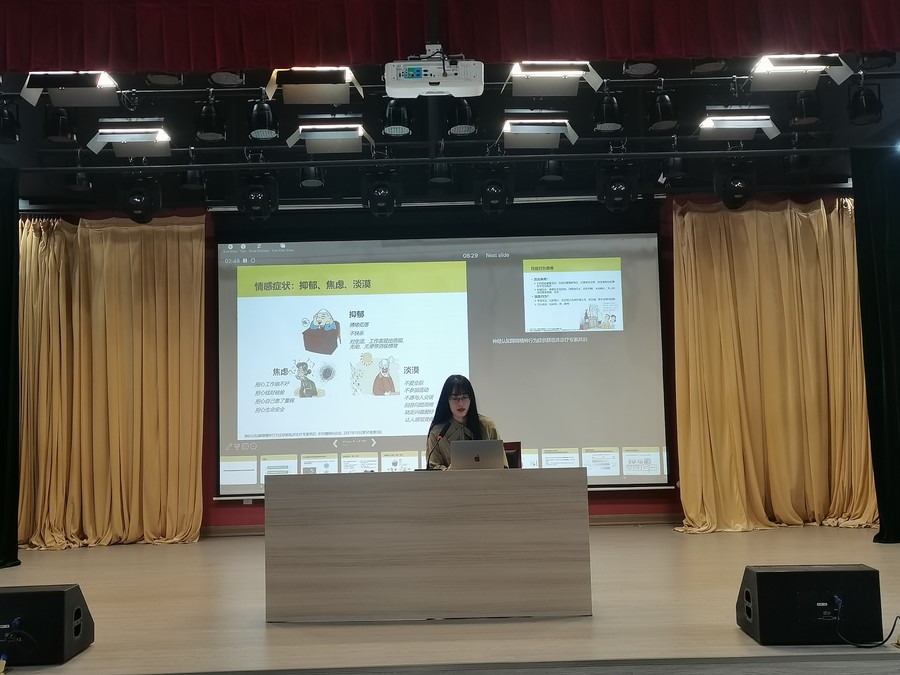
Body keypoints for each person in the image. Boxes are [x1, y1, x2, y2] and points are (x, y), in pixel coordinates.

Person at [426, 374, 506, 470]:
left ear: (471, 399)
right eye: (455, 398)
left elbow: (503, 466)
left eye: (464, 397)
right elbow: (433, 468)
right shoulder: (438, 432)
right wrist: (448, 471)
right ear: (447, 400)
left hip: (485, 479)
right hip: (451, 479)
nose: (460, 403)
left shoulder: (488, 426)